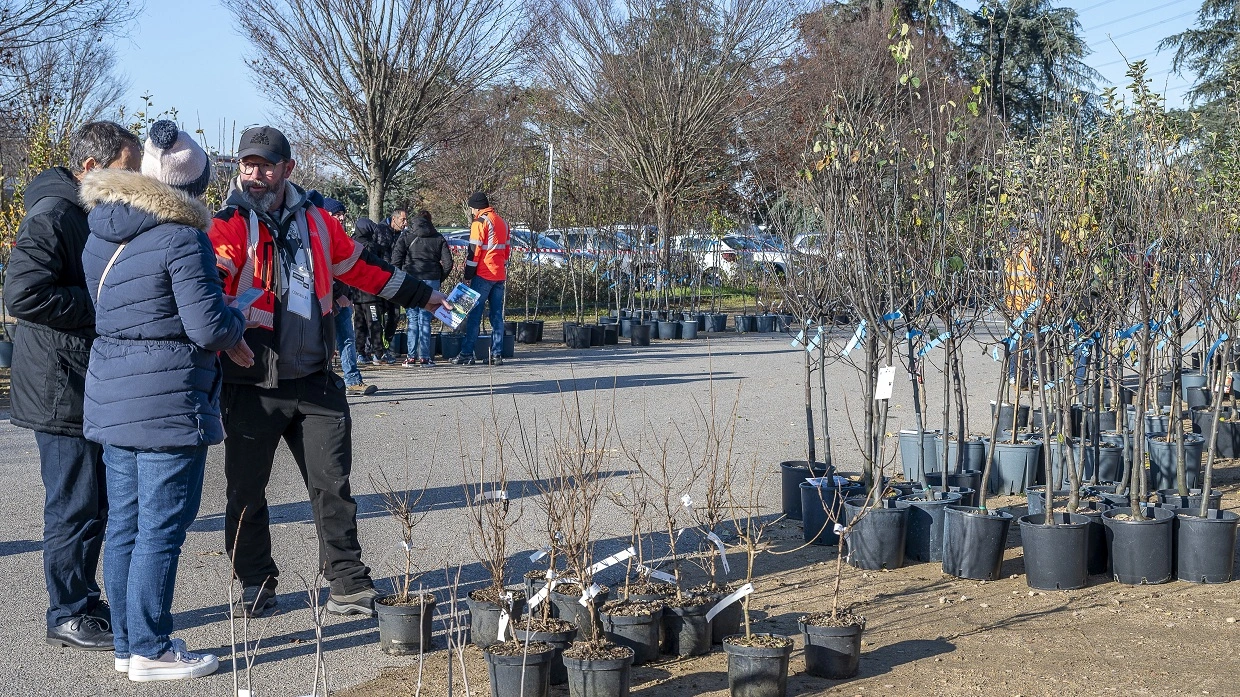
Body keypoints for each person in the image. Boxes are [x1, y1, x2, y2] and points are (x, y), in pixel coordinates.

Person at [209, 125, 448, 619]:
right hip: (251, 384)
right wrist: (226, 340)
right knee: (246, 493)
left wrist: (425, 295)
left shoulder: (319, 221)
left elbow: (364, 269)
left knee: (332, 486)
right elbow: (207, 291)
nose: (255, 174)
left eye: (266, 165)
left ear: (287, 169)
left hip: (315, 380)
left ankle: (347, 582)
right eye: (247, 164)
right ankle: (255, 582)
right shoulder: (228, 224)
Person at [81, 120, 247, 681]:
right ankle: (151, 648)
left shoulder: (100, 231)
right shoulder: (182, 237)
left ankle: (130, 644)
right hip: (168, 399)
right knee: (161, 530)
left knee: (124, 525)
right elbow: (206, 327)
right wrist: (240, 315)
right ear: (194, 188)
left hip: (113, 394)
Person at [5, 120, 141, 652]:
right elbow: (23, 294)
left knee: (91, 500)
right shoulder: (55, 214)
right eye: (125, 173)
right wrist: (101, 307)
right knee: (75, 503)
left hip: (75, 377)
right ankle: (68, 610)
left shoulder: (76, 209)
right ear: (91, 168)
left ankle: (81, 598)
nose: (132, 184)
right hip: (57, 385)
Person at [307, 192, 377, 396]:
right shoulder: (318, 234)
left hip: (341, 298)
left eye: (343, 214)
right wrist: (339, 295)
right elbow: (321, 270)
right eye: (337, 213)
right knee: (324, 341)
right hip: (326, 298)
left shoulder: (337, 235)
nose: (341, 217)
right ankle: (322, 382)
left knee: (346, 338)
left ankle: (352, 380)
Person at [391, 209, 453, 367]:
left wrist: (401, 279)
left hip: (411, 279)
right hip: (431, 280)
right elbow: (448, 263)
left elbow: (396, 259)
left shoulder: (406, 236)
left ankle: (410, 357)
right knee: (425, 319)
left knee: (412, 319)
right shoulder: (438, 237)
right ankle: (425, 357)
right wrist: (438, 278)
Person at [454, 191, 510, 366]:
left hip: (484, 274)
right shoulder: (502, 222)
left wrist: (468, 275)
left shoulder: (480, 222)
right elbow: (507, 251)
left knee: (474, 316)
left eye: (471, 208)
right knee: (496, 317)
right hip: (499, 274)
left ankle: (466, 354)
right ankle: (496, 354)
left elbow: (474, 252)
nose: (471, 212)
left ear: (476, 208)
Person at [351, 217, 398, 364]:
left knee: (359, 323)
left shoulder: (351, 243)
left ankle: (360, 352)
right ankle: (378, 353)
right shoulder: (371, 246)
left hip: (356, 292)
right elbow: (381, 265)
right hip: (370, 291)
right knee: (374, 322)